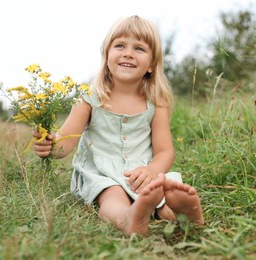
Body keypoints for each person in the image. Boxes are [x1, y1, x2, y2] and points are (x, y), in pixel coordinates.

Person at [32, 15, 204, 236]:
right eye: (120, 45)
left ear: (151, 65)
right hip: (101, 173)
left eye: (139, 49)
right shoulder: (89, 98)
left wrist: (151, 170)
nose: (128, 53)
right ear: (107, 56)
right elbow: (64, 144)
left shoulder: (156, 102)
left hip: (141, 172)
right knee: (112, 195)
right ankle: (127, 218)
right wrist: (49, 144)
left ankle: (180, 213)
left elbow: (165, 151)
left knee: (161, 188)